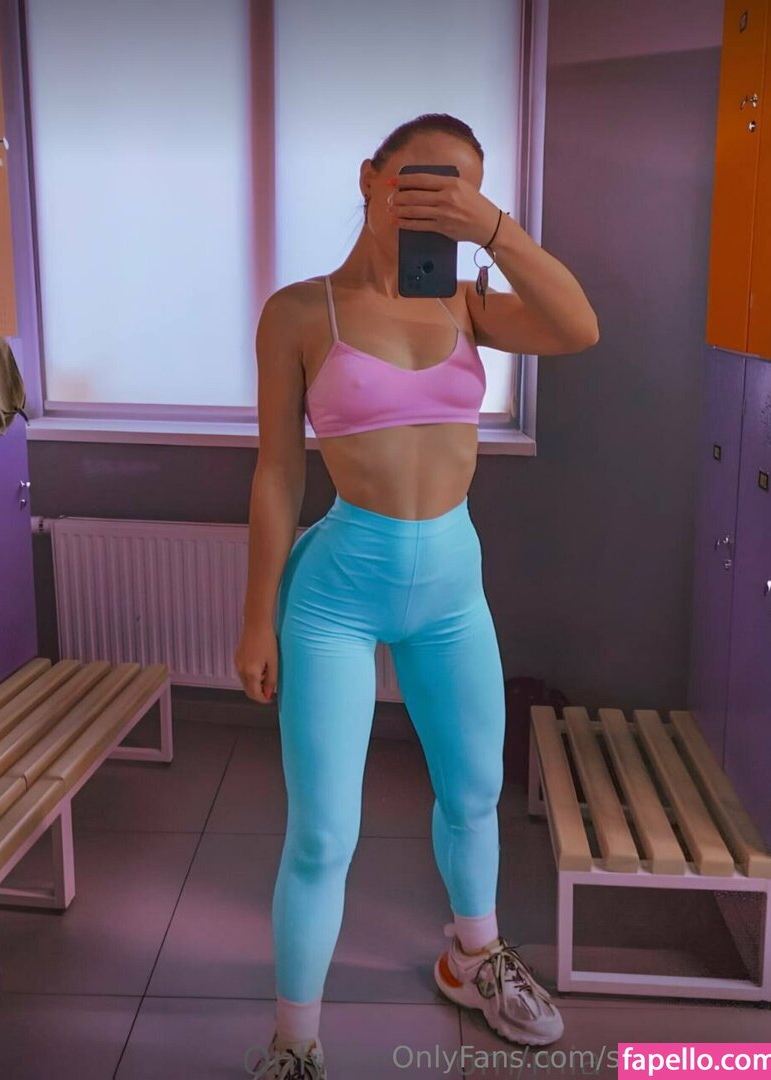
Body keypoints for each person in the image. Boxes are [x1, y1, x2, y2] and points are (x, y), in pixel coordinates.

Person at [235, 112, 599, 1079]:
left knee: (474, 792)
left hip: (451, 593)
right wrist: (255, 617)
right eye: (419, 178)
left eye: (458, 187)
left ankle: (472, 958)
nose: (436, 199)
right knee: (324, 833)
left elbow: (578, 327)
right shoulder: (299, 312)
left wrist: (496, 231)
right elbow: (277, 474)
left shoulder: (468, 305)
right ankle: (295, 1043)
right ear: (371, 177)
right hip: (334, 599)